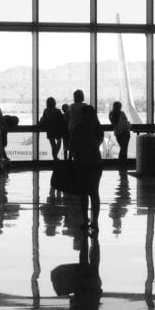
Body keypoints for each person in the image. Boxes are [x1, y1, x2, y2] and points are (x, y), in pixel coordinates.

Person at [69, 95, 103, 234]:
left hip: (82, 163)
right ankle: (94, 221)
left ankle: (86, 220)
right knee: (93, 193)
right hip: (94, 163)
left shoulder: (77, 128)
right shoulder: (97, 128)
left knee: (84, 193)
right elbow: (95, 144)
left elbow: (72, 147)